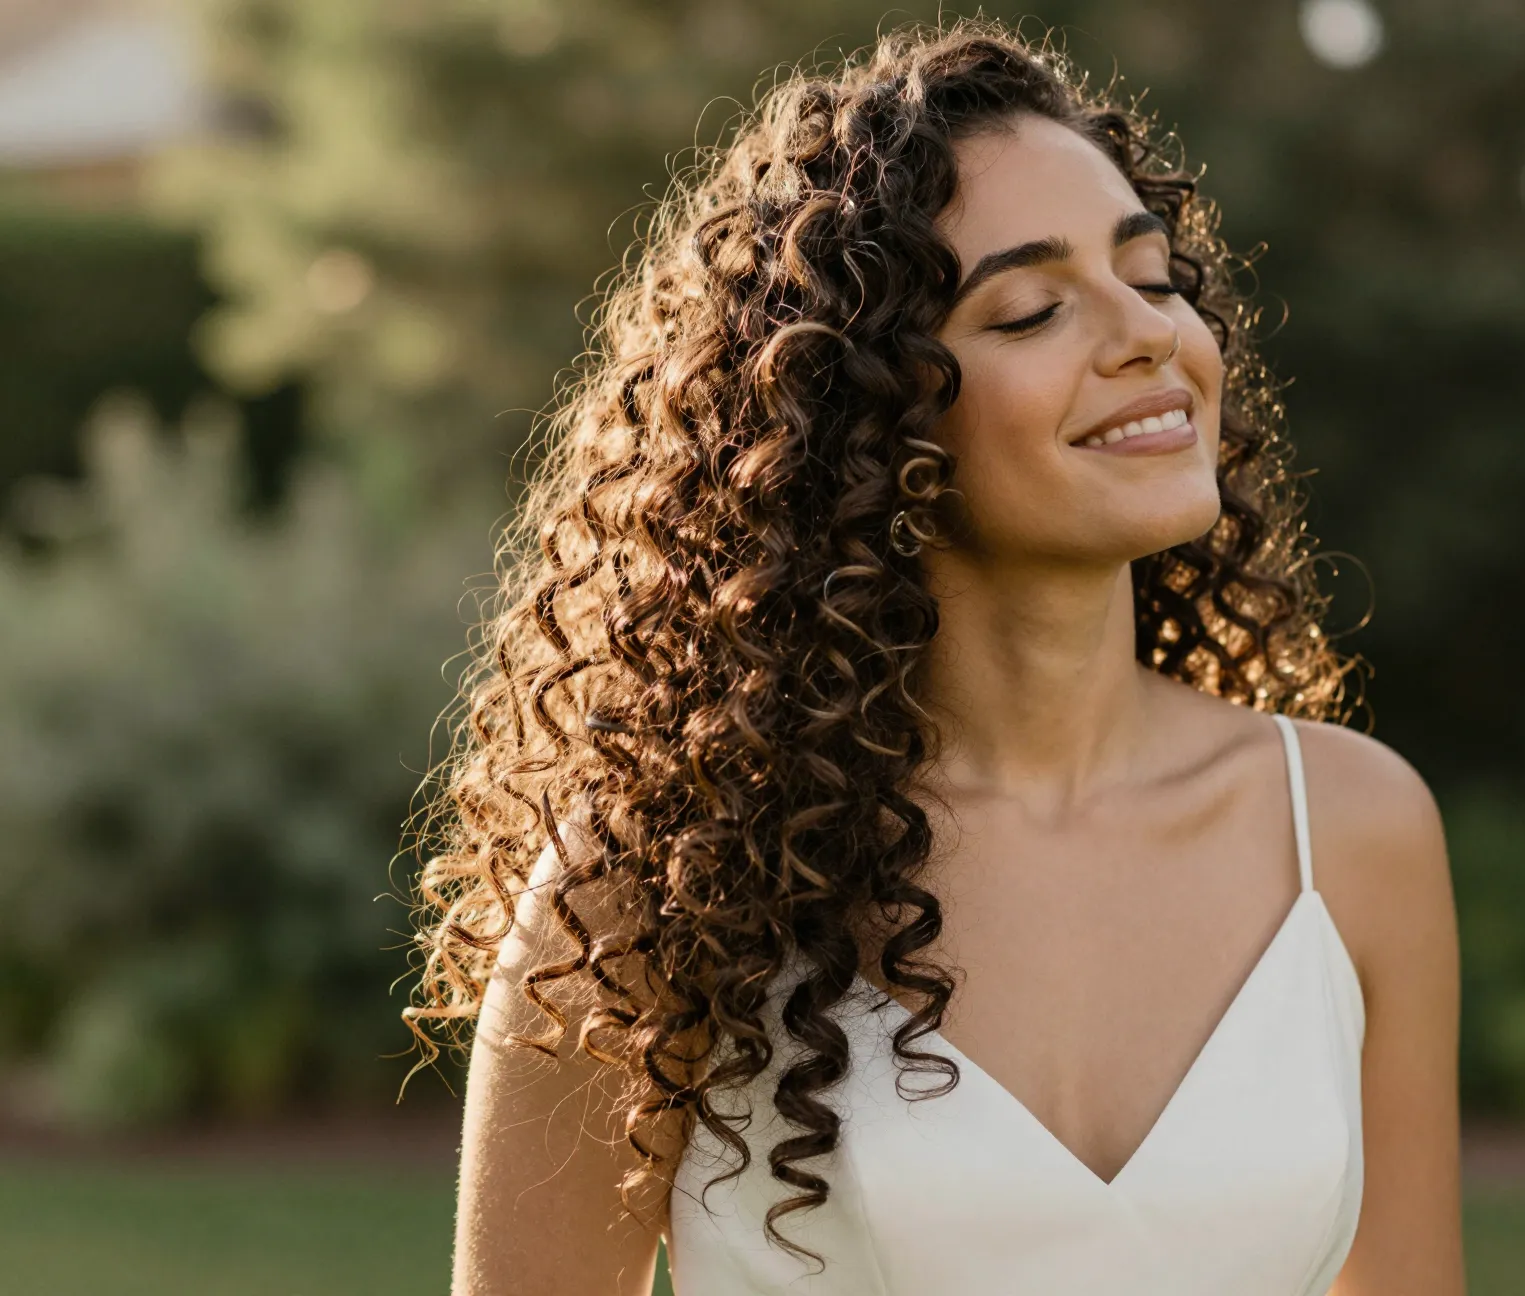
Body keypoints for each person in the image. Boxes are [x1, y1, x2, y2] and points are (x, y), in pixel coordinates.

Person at [411, 19, 1463, 1296]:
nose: (1148, 334)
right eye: (1029, 309)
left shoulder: (1351, 831)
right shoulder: (662, 876)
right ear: (860, 414)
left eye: (1156, 275)